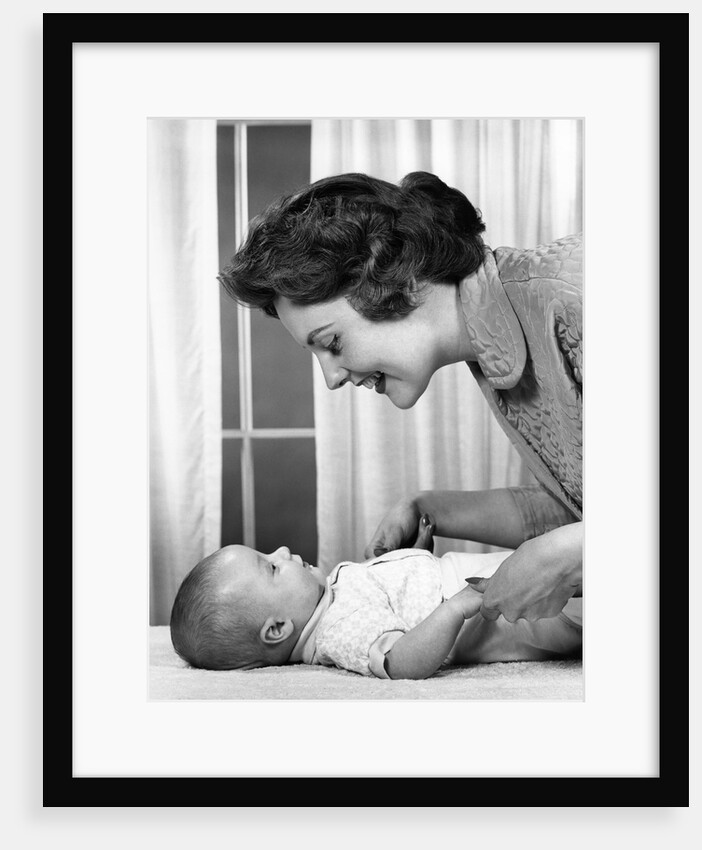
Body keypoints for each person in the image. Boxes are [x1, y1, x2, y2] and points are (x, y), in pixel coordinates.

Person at [218, 171, 582, 624]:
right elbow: (579, 510)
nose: (331, 378)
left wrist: (558, 555)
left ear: (405, 280)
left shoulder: (577, 290)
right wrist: (428, 509)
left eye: (332, 343)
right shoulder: (494, 349)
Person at [169, 533, 582, 680]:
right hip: (493, 618)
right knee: (571, 600)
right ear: (277, 629)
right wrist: (453, 608)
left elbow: (391, 603)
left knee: (568, 567)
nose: (282, 551)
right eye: (272, 567)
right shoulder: (337, 631)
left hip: (475, 585)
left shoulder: (329, 600)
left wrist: (410, 563)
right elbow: (399, 661)